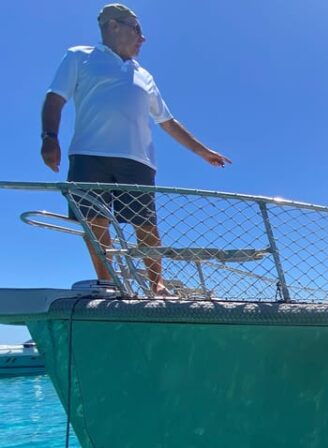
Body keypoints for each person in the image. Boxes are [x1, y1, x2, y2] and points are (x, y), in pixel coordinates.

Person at [40, 3, 231, 295]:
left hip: (137, 160)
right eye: (138, 30)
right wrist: (49, 137)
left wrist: (203, 152)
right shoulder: (79, 56)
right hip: (89, 154)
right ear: (113, 26)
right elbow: (55, 98)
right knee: (95, 222)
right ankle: (108, 282)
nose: (143, 38)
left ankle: (157, 285)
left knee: (145, 226)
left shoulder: (145, 75)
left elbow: (167, 121)